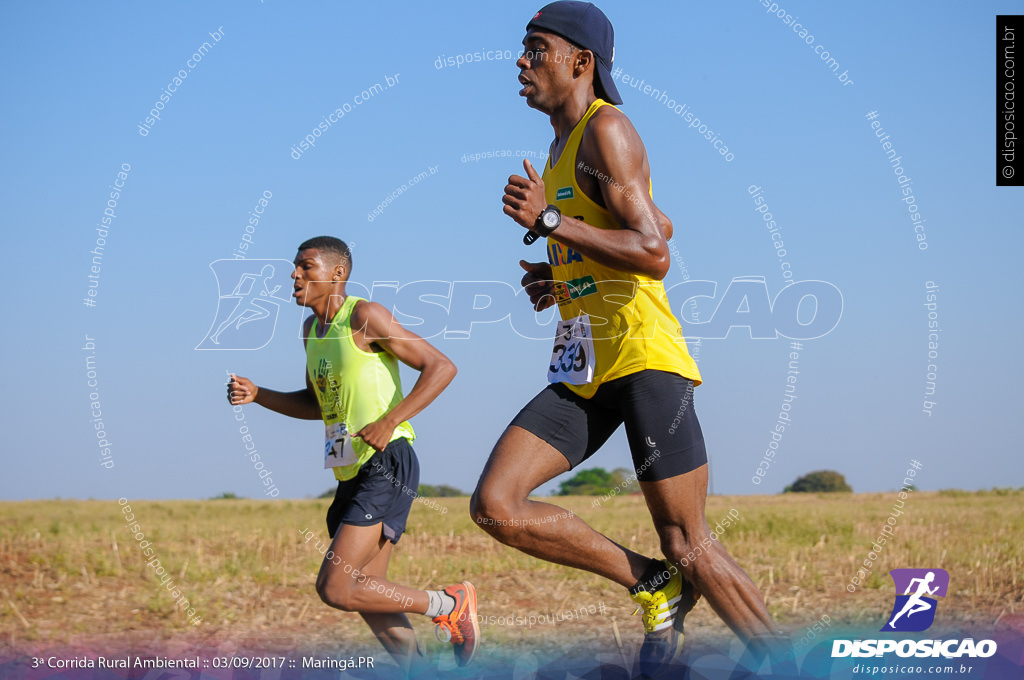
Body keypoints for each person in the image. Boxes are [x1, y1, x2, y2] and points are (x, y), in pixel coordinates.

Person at [471, 2, 785, 674]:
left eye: (535, 50)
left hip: (642, 357)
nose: (520, 63)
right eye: (521, 51)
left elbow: (652, 251)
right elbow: (656, 222)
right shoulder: (559, 150)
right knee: (497, 504)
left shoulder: (606, 129)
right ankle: (652, 583)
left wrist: (552, 220)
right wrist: (561, 280)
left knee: (687, 539)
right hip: (586, 367)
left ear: (580, 62)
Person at [228, 236, 477, 674]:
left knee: (337, 587)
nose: (294, 275)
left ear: (337, 273)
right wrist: (259, 395)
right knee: (369, 590)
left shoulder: (364, 316)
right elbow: (315, 404)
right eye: (295, 267)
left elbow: (442, 367)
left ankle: (448, 603)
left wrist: (389, 421)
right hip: (349, 470)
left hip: (388, 461)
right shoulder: (310, 332)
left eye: (306, 266)